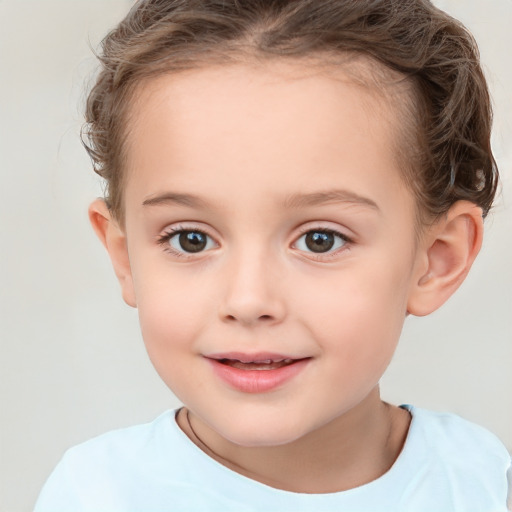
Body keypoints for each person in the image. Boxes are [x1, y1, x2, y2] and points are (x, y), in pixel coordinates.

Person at [35, 0, 511, 510]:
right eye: (190, 239)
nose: (248, 299)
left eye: (320, 239)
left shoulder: (482, 481)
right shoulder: (96, 495)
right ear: (125, 257)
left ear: (437, 259)